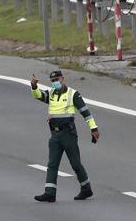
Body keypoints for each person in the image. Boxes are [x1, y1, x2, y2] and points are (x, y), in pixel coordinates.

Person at [31, 70, 100, 203]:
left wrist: (94, 128)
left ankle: (86, 188)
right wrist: (34, 86)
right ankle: (49, 193)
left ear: (62, 78)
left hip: (68, 134)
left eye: (56, 79)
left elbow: (85, 112)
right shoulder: (51, 93)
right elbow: (39, 95)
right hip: (55, 134)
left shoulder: (73, 94)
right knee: (52, 164)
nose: (54, 82)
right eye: (52, 81)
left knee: (75, 163)